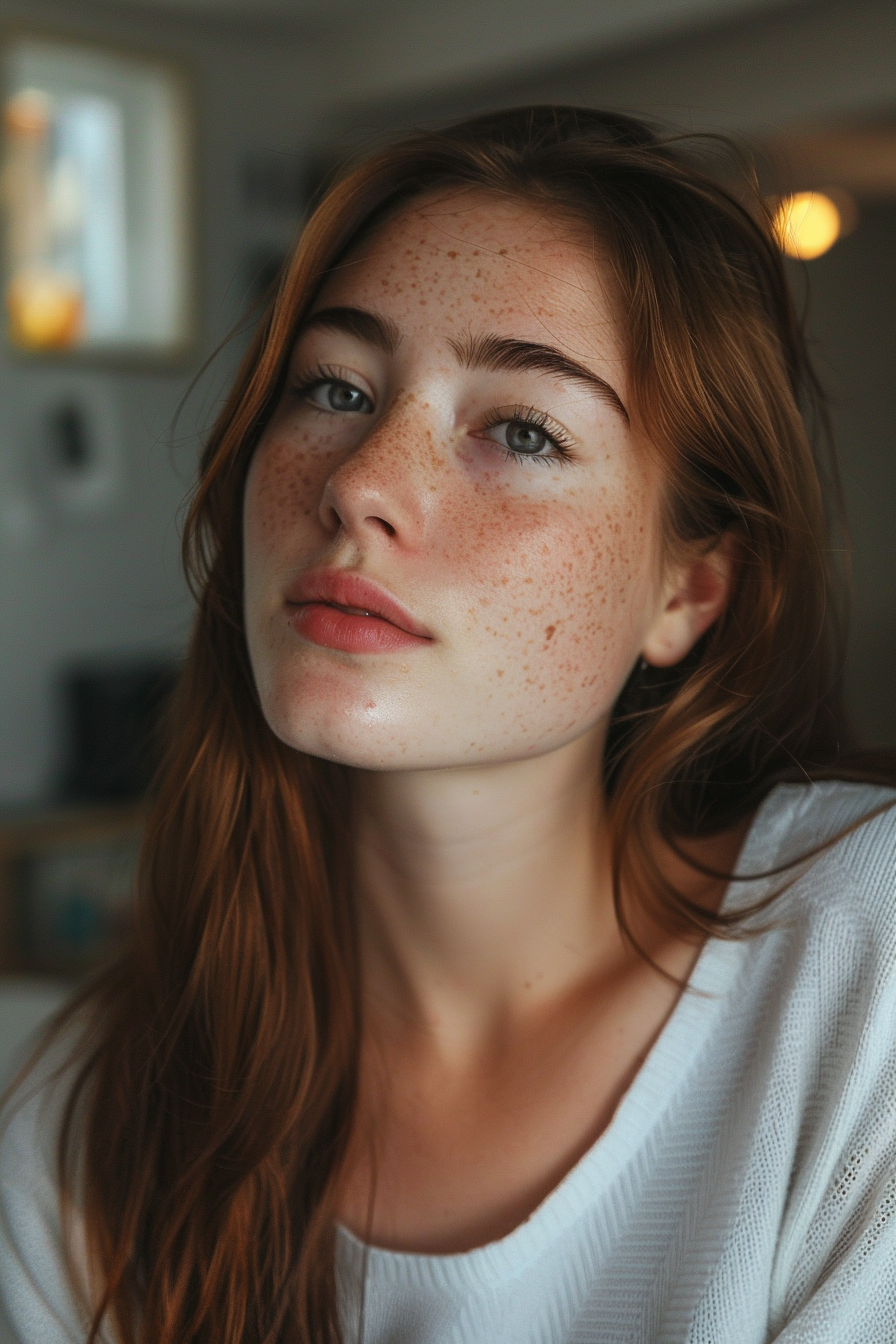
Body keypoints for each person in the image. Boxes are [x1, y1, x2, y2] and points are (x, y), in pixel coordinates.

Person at [2, 105, 896, 1344]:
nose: (362, 480)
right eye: (333, 387)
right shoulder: (87, 1119)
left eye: (521, 429)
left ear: (686, 592)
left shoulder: (863, 962)